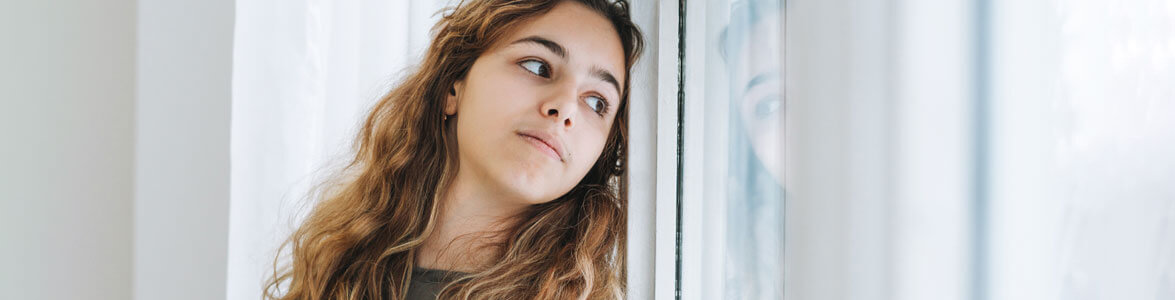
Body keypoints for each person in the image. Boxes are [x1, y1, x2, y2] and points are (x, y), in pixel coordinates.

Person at [263, 0, 643, 299]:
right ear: (452, 88)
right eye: (537, 66)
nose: (565, 109)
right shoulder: (341, 261)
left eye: (597, 103)